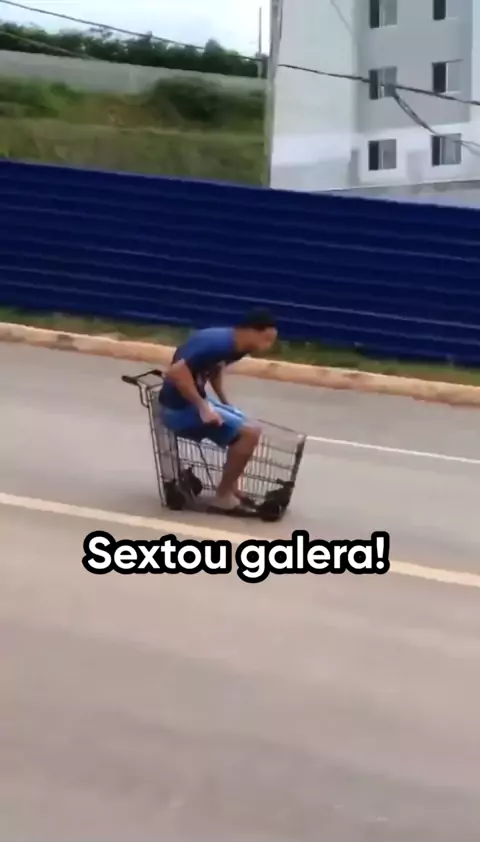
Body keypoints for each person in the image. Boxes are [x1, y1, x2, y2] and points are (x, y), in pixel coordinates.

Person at [158, 309, 278, 511]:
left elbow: (215, 368)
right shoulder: (219, 344)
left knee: (247, 422)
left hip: (189, 401)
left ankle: (231, 487)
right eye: (266, 340)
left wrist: (224, 402)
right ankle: (222, 496)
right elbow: (176, 371)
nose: (268, 346)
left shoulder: (236, 346)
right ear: (251, 331)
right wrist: (203, 408)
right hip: (177, 409)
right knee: (249, 434)